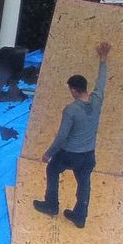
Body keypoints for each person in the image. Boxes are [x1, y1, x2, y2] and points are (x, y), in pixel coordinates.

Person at [36, 41, 110, 229]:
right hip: (88, 154)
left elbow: (62, 137)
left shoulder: (71, 109)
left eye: (70, 89)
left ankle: (51, 205)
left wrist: (48, 154)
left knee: (52, 170)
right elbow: (101, 82)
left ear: (75, 90)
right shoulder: (97, 100)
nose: (70, 92)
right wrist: (103, 58)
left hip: (70, 153)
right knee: (84, 183)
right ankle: (80, 216)